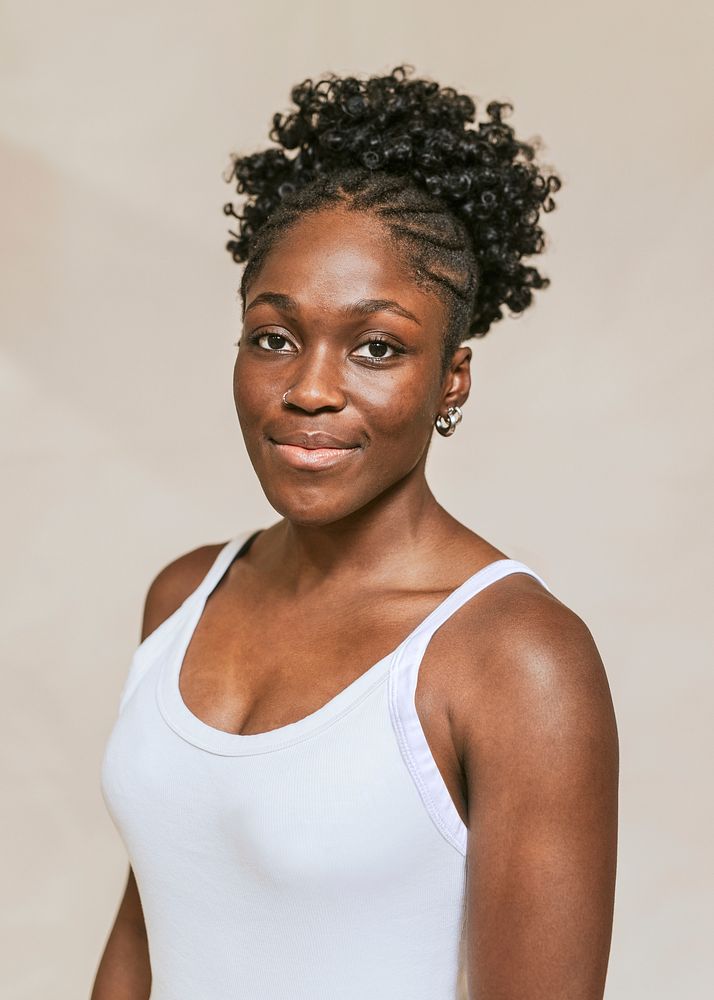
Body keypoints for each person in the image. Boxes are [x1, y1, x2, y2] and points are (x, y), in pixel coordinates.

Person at [92, 65, 618, 1000]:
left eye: (376, 346)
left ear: (452, 378)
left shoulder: (515, 658)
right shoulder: (184, 596)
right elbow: (150, 925)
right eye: (274, 335)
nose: (310, 387)